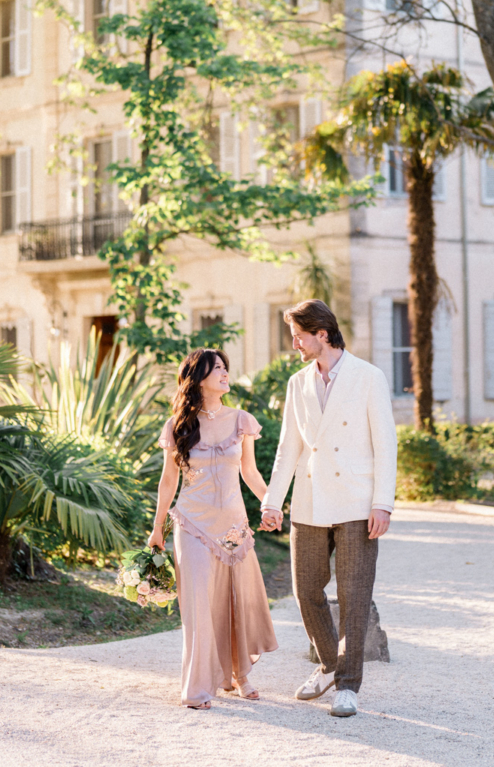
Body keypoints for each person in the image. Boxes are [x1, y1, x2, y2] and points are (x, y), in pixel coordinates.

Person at [259, 299, 396, 719]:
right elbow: (288, 448)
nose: (294, 344)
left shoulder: (368, 377)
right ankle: (330, 665)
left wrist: (383, 503)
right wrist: (272, 502)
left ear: (322, 334)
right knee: (306, 591)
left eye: (299, 335)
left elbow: (386, 443)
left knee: (354, 595)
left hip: (357, 501)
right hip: (310, 500)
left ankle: (348, 686)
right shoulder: (298, 383)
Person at [148, 348, 278, 709]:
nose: (224, 373)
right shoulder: (177, 425)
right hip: (191, 523)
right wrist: (157, 528)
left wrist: (272, 503)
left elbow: (249, 473)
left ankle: (240, 675)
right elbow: (167, 480)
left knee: (235, 600)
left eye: (225, 367)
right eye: (216, 368)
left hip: (233, 525)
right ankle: (196, 688)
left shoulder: (242, 420)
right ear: (198, 377)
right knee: (198, 607)